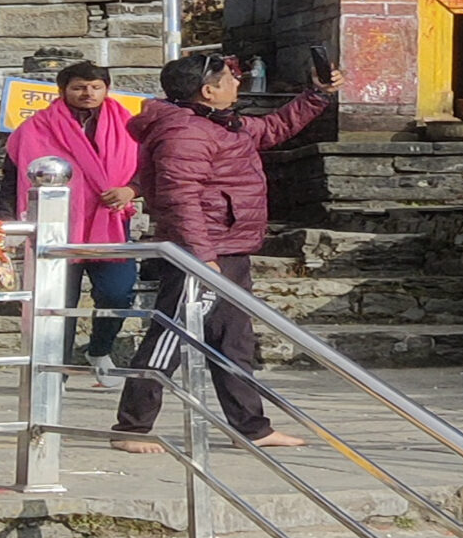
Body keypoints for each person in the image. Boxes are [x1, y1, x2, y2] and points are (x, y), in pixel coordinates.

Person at [112, 53, 334, 455]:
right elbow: (181, 198)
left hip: (228, 247)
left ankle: (251, 425)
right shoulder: (185, 132)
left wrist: (317, 95)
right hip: (202, 251)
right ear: (208, 90)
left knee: (234, 340)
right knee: (170, 336)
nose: (237, 82)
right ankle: (132, 426)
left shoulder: (220, 123)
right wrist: (201, 254)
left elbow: (273, 127)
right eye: (230, 78)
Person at [7, 61, 142, 385]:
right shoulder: (37, 127)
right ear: (63, 90)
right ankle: (56, 373)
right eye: (79, 87)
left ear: (107, 88)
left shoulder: (131, 125)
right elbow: (15, 169)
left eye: (96, 86)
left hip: (108, 222)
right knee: (58, 302)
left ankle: (100, 348)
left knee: (118, 292)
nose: (88, 93)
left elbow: (147, 167)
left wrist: (130, 189)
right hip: (58, 225)